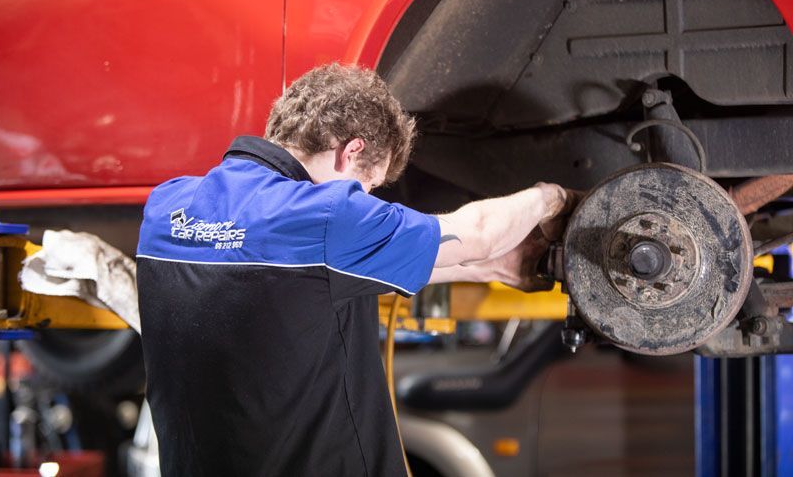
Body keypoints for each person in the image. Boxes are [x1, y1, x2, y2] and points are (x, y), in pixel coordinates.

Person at [136, 63, 575, 476]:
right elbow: (477, 232)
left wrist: (485, 272)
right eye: (370, 185)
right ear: (352, 152)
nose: (367, 196)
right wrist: (552, 197)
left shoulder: (167, 207)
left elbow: (298, 289)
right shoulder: (326, 216)